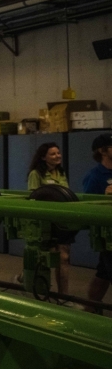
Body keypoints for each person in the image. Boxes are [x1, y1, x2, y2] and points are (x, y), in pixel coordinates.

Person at [26, 142, 72, 295]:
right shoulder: (36, 174)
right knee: (44, 257)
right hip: (45, 223)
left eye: (58, 153)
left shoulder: (61, 173)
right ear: (43, 157)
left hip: (62, 221)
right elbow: (33, 197)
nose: (57, 156)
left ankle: (63, 297)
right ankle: (29, 282)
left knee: (63, 258)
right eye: (52, 154)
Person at [83, 134, 112, 312]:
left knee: (103, 273)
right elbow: (88, 205)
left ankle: (91, 307)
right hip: (107, 235)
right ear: (102, 151)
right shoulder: (94, 177)